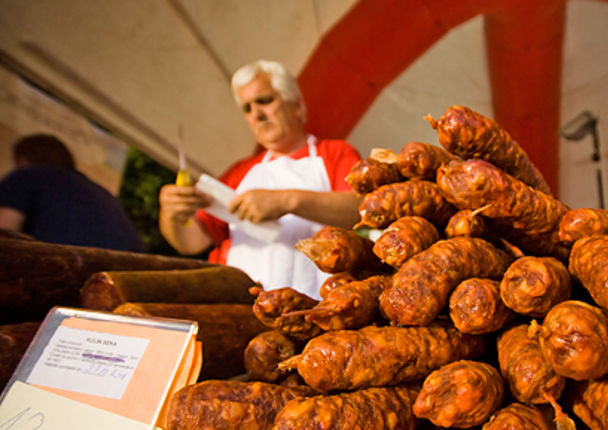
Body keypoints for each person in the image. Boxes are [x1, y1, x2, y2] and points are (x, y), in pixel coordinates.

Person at [158, 59, 362, 299]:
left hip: (318, 307)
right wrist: (171, 215)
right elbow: (193, 243)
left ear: (296, 105)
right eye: (247, 108)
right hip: (240, 309)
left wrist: (286, 201)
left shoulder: (334, 153)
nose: (257, 113)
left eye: (265, 100)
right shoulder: (239, 172)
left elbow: (359, 209)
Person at [0, 134, 145, 252]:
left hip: (71, 278)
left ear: (23, 160)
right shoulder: (102, 192)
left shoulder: (27, 174)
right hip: (131, 279)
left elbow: (5, 238)